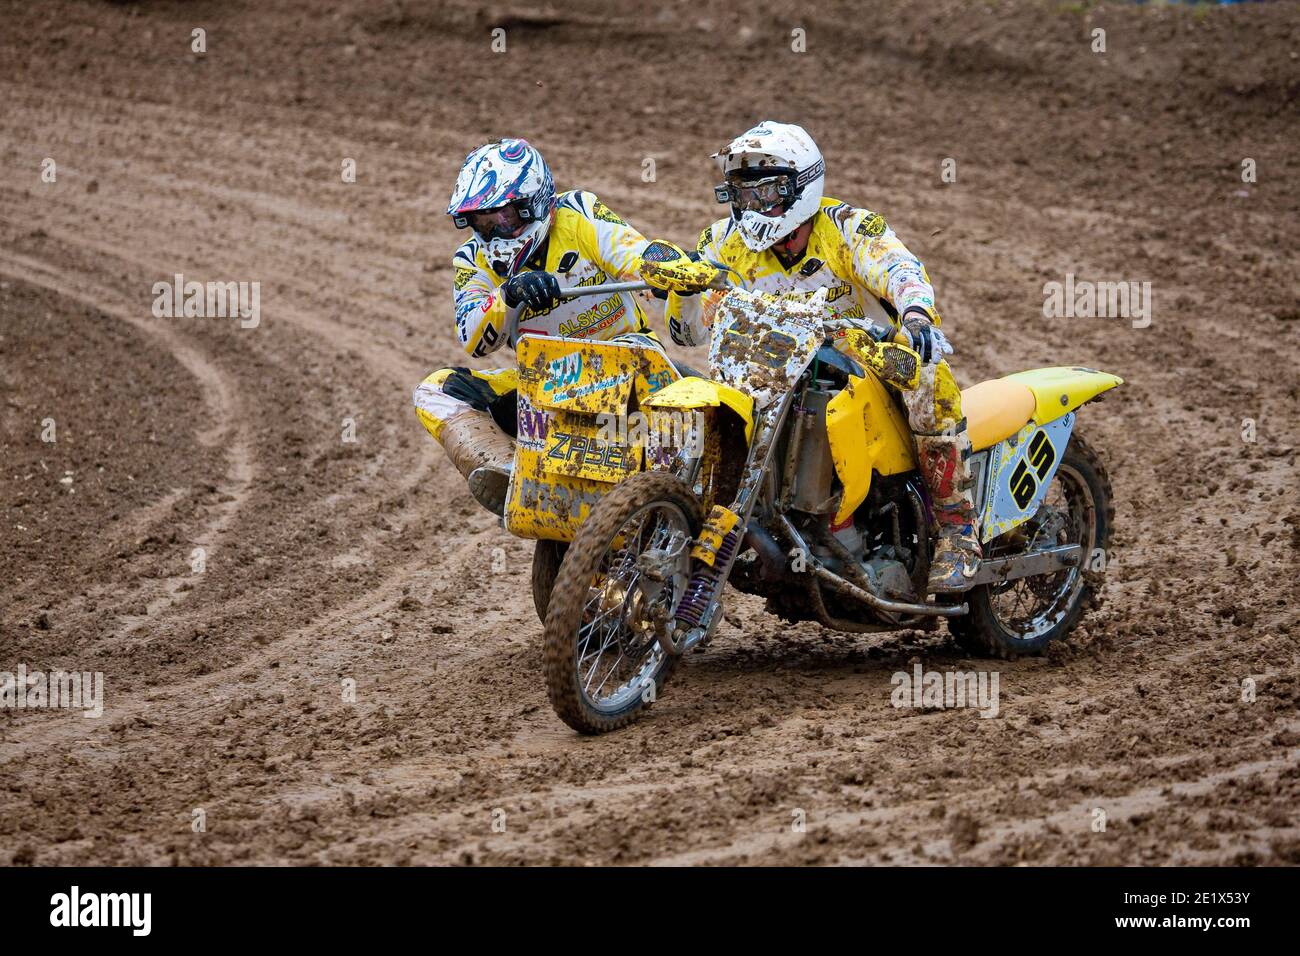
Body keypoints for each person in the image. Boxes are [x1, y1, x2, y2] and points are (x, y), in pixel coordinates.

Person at [656, 121, 981, 593]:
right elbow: (687, 333)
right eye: (743, 195)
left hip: (867, 359)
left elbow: (899, 267)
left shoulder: (847, 228)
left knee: (930, 381)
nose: (753, 208)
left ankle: (957, 532)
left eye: (766, 194)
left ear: (800, 188)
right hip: (770, 369)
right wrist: (684, 290)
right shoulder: (722, 244)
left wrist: (916, 316)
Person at [412, 138, 672, 515]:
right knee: (435, 390)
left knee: (694, 406)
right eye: (485, 223)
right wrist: (509, 296)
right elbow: (474, 339)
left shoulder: (578, 212)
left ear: (534, 202)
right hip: (545, 387)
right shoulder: (471, 259)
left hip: (628, 364)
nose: (497, 233)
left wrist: (664, 270)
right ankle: (508, 474)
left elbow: (632, 251)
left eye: (506, 218)